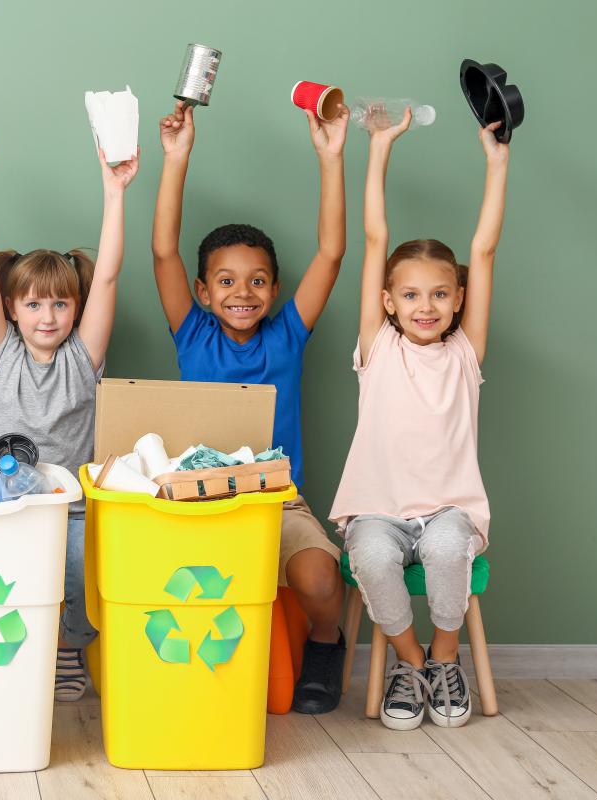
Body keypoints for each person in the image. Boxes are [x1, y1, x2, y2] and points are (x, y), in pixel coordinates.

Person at [151, 99, 350, 713]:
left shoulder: (288, 334)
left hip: (275, 500)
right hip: (197, 499)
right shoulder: (193, 331)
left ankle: (325, 642)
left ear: (275, 290)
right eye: (228, 281)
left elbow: (332, 254)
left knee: (319, 578)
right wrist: (176, 159)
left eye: (258, 280)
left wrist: (331, 158)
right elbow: (163, 252)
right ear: (203, 292)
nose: (243, 292)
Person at [330, 109, 510, 730]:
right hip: (377, 507)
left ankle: (442, 656)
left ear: (458, 300)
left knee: (444, 548)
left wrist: (497, 160)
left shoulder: (465, 352)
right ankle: (410, 664)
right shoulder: (378, 348)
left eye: (439, 293)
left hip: (449, 507)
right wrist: (379, 147)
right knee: (375, 560)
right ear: (388, 302)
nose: (425, 305)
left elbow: (483, 250)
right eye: (410, 295)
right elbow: (375, 240)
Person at [0, 134, 139, 701]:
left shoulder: (83, 359)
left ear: (76, 309)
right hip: (0, 506)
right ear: (12, 310)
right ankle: (12, 652)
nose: (48, 315)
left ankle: (66, 649)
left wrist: (115, 192)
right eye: (33, 304)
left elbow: (105, 275)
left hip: (71, 510)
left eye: (60, 303)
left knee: (76, 574)